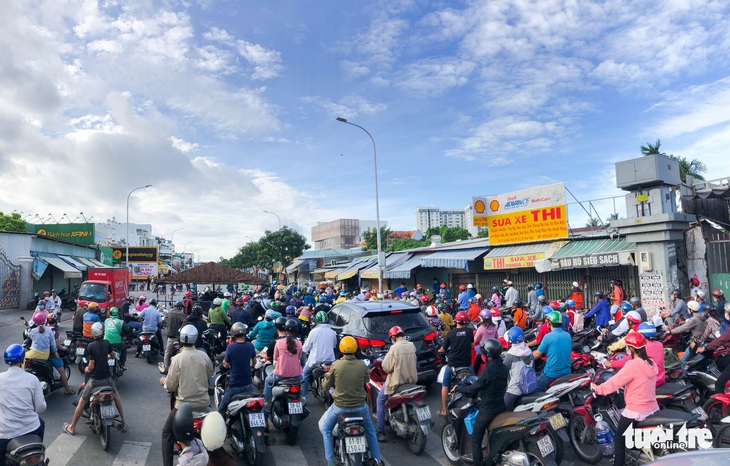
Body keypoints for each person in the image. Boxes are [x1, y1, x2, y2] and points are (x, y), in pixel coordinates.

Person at [591, 332, 659, 466]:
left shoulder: (632, 365)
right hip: (652, 407)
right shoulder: (650, 362)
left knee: (619, 441)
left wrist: (597, 388)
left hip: (636, 410)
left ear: (632, 349)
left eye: (628, 347)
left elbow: (614, 383)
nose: (627, 349)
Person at [321, 336, 383, 466]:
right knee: (370, 430)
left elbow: (327, 385)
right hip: (360, 407)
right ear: (355, 348)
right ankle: (376, 459)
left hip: (339, 407)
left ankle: (330, 462)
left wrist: (324, 382)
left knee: (326, 430)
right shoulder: (361, 365)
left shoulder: (336, 365)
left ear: (341, 348)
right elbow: (366, 380)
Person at [160, 324, 213, 466]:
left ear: (182, 339)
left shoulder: (177, 359)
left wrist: (164, 382)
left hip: (183, 407)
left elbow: (170, 385)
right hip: (204, 405)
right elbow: (209, 375)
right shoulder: (204, 356)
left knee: (166, 433)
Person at [64, 322, 128, 435]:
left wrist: (87, 369)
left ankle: (72, 427)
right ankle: (124, 422)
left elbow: (91, 366)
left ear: (93, 334)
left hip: (95, 380)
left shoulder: (91, 346)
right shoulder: (107, 343)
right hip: (107, 378)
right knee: (116, 396)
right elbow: (112, 356)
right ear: (102, 332)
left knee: (82, 401)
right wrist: (105, 356)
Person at [455, 339, 508, 466]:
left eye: (483, 353)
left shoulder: (488, 371)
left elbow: (473, 389)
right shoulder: (503, 367)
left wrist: (459, 388)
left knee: (476, 439)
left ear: (488, 356)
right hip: (501, 405)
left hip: (488, 410)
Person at [0, 344, 47, 466]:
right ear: (22, 360)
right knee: (41, 423)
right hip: (32, 427)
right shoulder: (32, 379)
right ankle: (38, 451)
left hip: (6, 433)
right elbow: (41, 408)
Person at [376, 326, 417, 441]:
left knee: (380, 401)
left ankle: (380, 431)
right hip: (411, 381)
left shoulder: (394, 348)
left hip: (397, 382)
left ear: (393, 337)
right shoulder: (411, 345)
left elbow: (386, 367)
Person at [25, 313, 74, 395]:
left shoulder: (33, 331)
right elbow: (53, 344)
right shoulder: (50, 331)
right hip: (49, 355)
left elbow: (29, 338)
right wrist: (56, 353)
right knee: (62, 372)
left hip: (34, 354)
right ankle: (67, 389)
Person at [264, 320, 302, 422]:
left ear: (285, 330)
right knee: (302, 384)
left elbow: (275, 359)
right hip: (297, 375)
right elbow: (299, 357)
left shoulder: (279, 343)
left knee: (268, 381)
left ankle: (267, 408)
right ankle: (302, 400)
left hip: (280, 375)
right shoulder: (299, 343)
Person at [438, 311, 474, 416]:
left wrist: (440, 350)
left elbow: (443, 349)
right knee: (475, 382)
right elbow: (471, 345)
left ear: (456, 321)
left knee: (445, 385)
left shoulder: (451, 333)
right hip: (467, 365)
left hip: (453, 365)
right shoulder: (469, 332)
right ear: (466, 321)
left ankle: (444, 410)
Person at [218, 323, 256, 416]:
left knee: (222, 408)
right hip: (248, 384)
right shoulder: (250, 345)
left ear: (233, 335)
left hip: (234, 386)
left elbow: (226, 365)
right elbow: (254, 362)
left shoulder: (231, 347)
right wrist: (250, 365)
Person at [301, 311, 337, 403]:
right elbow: (334, 345)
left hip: (315, 361)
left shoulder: (314, 332)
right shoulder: (332, 332)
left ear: (317, 320)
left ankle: (304, 398)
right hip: (330, 361)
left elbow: (306, 348)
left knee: (304, 374)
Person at [532, 311, 571, 391]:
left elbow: (536, 355)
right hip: (566, 372)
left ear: (550, 323)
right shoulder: (568, 335)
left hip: (551, 373)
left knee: (534, 389)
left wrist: (525, 357)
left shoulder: (548, 337)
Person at [698, 303, 730, 393]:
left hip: (713, 344)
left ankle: (720, 406)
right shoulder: (720, 320)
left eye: (727, 312)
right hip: (722, 348)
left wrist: (706, 348)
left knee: (719, 384)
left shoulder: (711, 320)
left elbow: (722, 339)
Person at [503, 327, 533, 410]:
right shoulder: (529, 351)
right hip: (528, 386)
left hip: (514, 390)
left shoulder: (511, 355)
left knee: (503, 410)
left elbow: (504, 370)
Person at [159, 301, 185, 374]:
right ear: (180, 307)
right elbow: (184, 323)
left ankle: (166, 368)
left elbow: (164, 320)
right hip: (179, 337)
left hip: (170, 336)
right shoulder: (181, 314)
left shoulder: (169, 312)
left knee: (167, 352)